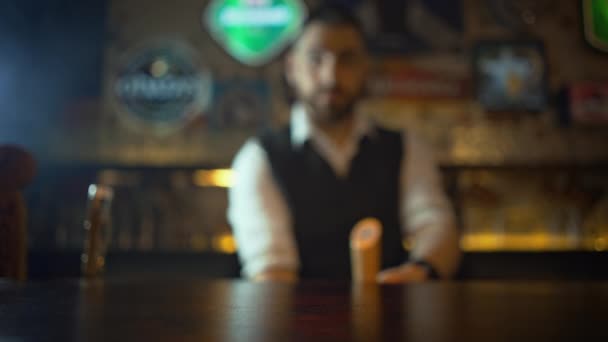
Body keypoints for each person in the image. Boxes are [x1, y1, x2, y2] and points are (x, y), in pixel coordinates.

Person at [227, 4, 460, 283]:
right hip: (298, 323)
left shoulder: (406, 147)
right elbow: (270, 264)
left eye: (347, 59)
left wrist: (419, 271)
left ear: (365, 67)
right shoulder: (258, 158)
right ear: (291, 67)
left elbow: (434, 224)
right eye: (316, 58)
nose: (331, 75)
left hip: (392, 319)